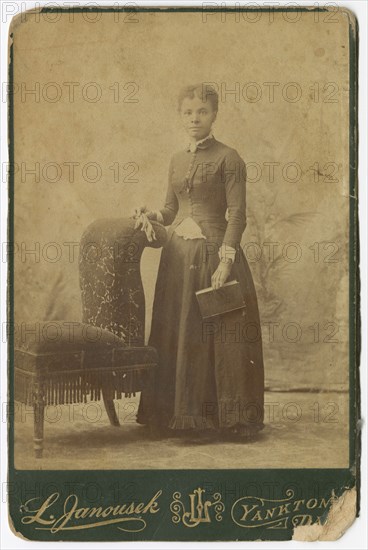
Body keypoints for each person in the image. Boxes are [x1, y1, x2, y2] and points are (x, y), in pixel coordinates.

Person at [133, 84, 264, 439]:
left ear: (214, 115)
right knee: (179, 331)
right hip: (177, 259)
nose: (194, 118)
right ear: (181, 115)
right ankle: (177, 415)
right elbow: (171, 208)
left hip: (213, 254)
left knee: (216, 335)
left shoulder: (229, 157)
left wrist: (226, 261)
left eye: (201, 112)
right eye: (188, 112)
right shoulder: (176, 159)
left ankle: (221, 420)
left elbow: (237, 216)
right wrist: (153, 215)